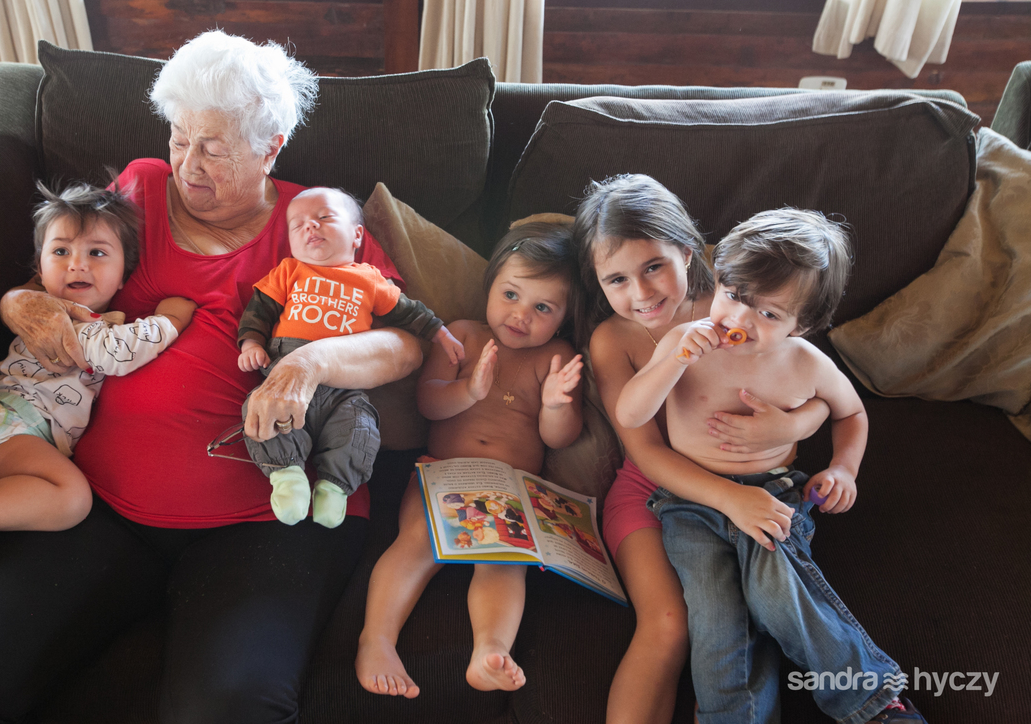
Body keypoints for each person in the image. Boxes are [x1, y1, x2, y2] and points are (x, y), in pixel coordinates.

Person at [0, 30, 423, 724]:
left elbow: (404, 343)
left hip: (269, 515)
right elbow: (63, 272)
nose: (188, 164)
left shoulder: (315, 222)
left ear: (270, 148)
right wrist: (17, 303)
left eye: (213, 148)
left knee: (229, 711)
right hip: (97, 507)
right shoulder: (138, 187)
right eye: (180, 138)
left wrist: (308, 363)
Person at [616, 207, 924, 723]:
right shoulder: (682, 341)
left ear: (802, 325)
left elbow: (851, 413)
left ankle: (873, 703)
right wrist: (675, 360)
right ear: (717, 279)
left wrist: (843, 469)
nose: (740, 320)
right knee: (715, 616)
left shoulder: (805, 363)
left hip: (772, 493)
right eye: (735, 295)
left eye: (770, 315)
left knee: (773, 594)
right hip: (691, 502)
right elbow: (630, 414)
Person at [574, 174, 832, 724]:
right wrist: (730, 499)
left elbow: (817, 390)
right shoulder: (611, 340)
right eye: (617, 278)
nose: (642, 293)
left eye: (653, 267)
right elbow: (644, 449)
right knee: (670, 624)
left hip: (745, 479)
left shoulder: (733, 308)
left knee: (747, 613)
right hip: (648, 490)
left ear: (688, 254)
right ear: (598, 282)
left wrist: (791, 426)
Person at [0, 181, 195, 595]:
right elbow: (118, 353)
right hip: (10, 426)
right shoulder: (66, 320)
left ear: (125, 274)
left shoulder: (93, 318)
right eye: (60, 252)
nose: (77, 265)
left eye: (96, 253)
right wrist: (170, 321)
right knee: (71, 498)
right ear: (39, 269)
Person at [356, 221, 585, 699]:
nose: (521, 315)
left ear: (564, 318)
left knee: (505, 563)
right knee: (414, 543)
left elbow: (560, 439)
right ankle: (376, 640)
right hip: (442, 473)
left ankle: (490, 651)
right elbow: (427, 403)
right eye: (511, 294)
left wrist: (555, 406)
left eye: (542, 308)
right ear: (491, 284)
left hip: (510, 488)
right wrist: (469, 391)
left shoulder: (557, 357)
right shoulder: (460, 334)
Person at [237, 186, 465, 527]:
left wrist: (441, 334)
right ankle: (287, 476)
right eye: (297, 225)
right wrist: (251, 344)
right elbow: (259, 312)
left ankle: (335, 487)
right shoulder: (289, 271)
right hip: (283, 376)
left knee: (360, 426)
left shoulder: (370, 279)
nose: (310, 226)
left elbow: (409, 313)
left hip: (345, 386)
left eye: (324, 217)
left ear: (357, 235)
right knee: (261, 411)